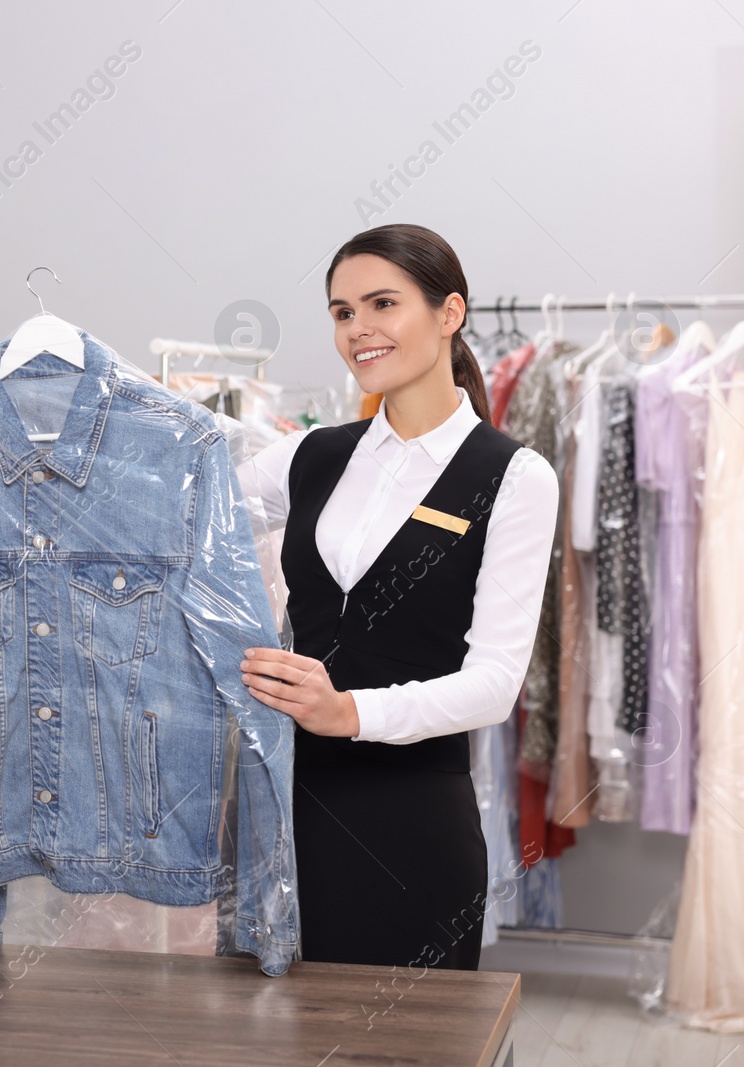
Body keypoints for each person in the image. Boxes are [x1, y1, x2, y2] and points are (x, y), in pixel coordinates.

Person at [236, 223, 558, 969]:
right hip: (286, 807)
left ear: (450, 313)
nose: (359, 329)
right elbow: (164, 497)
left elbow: (494, 685)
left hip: (413, 826)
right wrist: (3, 421)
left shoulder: (513, 476)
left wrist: (347, 711)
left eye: (383, 303)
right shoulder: (309, 455)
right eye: (343, 312)